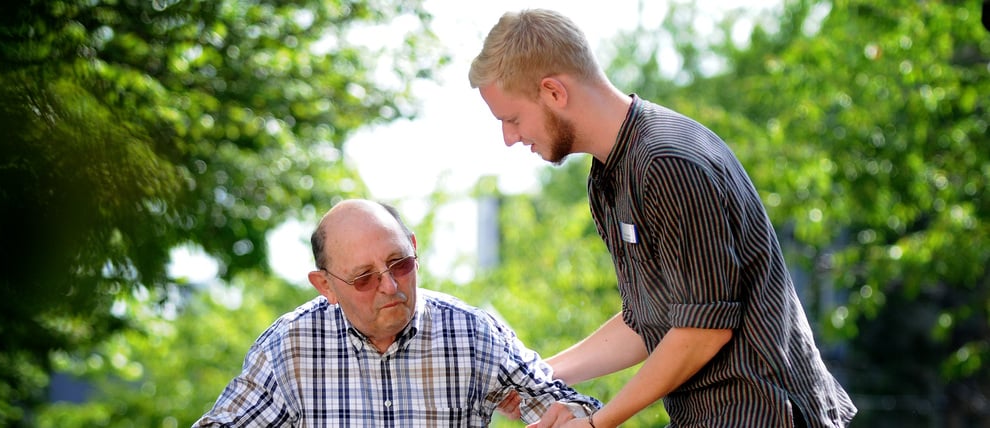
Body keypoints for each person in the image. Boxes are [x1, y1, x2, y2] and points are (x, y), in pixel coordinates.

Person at [469, 9, 857, 428]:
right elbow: (649, 321)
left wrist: (597, 423)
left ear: (553, 92)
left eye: (512, 119)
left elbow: (702, 330)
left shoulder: (666, 160)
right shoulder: (610, 177)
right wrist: (537, 377)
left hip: (765, 415)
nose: (509, 138)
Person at [193, 199, 600, 427]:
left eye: (400, 264)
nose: (390, 286)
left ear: (414, 248)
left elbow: (571, 410)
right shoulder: (290, 347)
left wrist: (568, 419)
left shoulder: (471, 334)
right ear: (326, 286)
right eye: (364, 278)